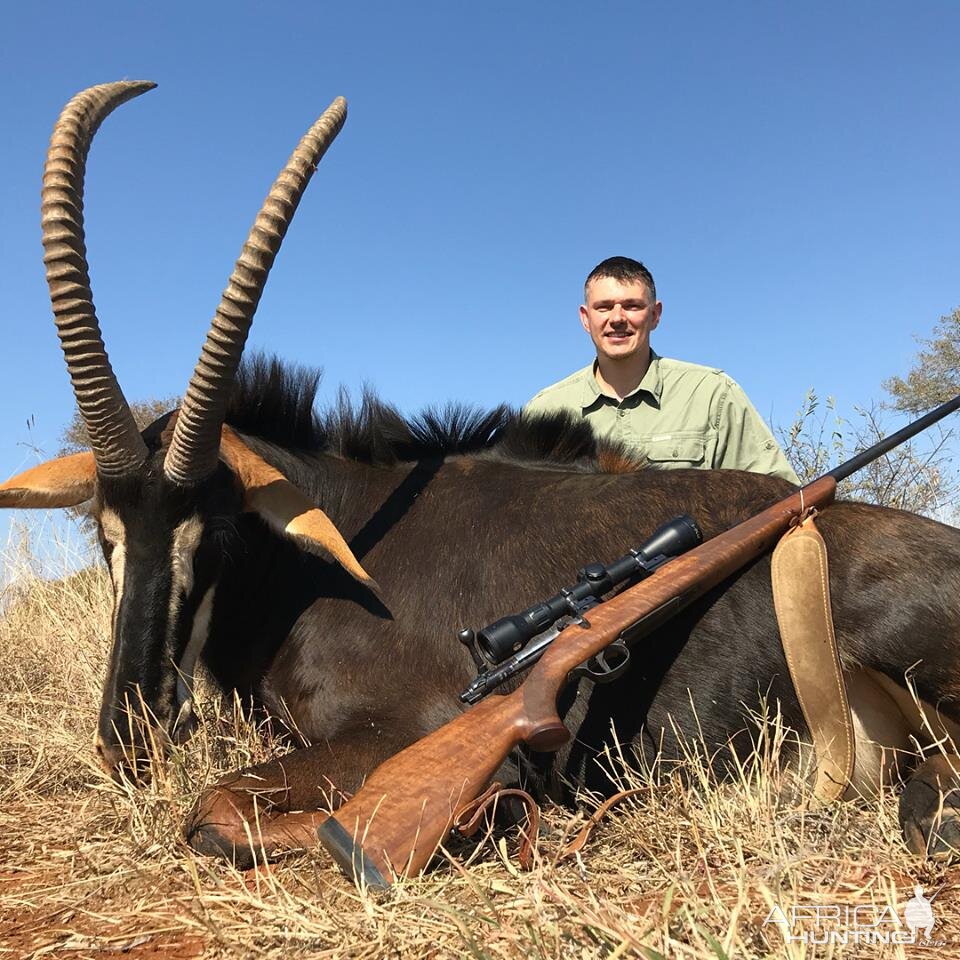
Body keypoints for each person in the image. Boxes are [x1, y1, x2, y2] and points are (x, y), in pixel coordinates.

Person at [525, 257, 799, 484]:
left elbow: (778, 497)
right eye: (604, 307)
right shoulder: (543, 412)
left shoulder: (712, 394)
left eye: (632, 306)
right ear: (586, 318)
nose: (618, 318)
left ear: (655, 315)